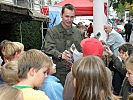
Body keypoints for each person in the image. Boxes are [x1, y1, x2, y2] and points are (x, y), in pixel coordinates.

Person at [44, 3, 82, 85]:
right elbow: (48, 48)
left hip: (75, 71)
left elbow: (81, 50)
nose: (69, 19)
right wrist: (60, 55)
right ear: (61, 15)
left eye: (72, 17)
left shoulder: (78, 32)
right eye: (67, 16)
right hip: (59, 71)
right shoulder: (52, 31)